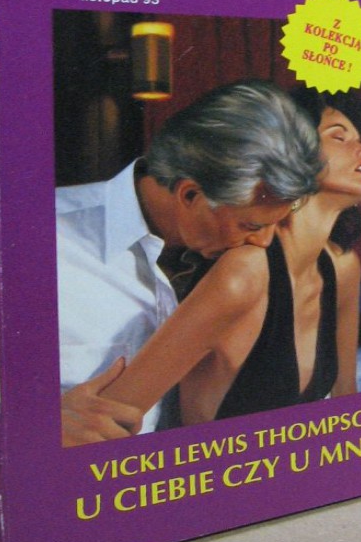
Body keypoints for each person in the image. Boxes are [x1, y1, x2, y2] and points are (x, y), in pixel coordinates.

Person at [58, 80, 323, 446]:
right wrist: (40, 426)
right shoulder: (40, 241)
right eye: (251, 225)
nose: (264, 242)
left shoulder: (241, 268)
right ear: (190, 194)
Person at [96, 89, 361, 428]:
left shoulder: (342, 267)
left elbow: (346, 401)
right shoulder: (243, 273)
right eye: (338, 137)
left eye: (358, 138)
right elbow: (113, 415)